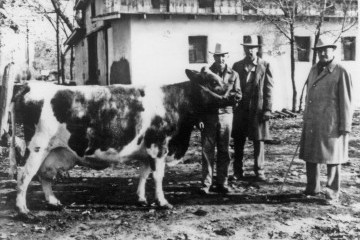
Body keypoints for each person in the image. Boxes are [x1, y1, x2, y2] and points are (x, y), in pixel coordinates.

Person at [299, 37, 353, 204]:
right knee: (311, 155)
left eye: (326, 49)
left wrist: (345, 126)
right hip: (313, 122)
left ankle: (331, 192)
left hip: (331, 123)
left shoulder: (341, 71)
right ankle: (312, 188)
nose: (323, 53)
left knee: (333, 158)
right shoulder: (314, 69)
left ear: (333, 51)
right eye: (319, 50)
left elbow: (346, 101)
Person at [199, 43, 242, 194]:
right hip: (209, 116)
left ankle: (222, 183)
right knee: (207, 151)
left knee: (224, 150)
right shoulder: (206, 73)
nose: (221, 58)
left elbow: (238, 94)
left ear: (226, 57)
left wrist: (229, 98)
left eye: (223, 56)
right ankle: (206, 184)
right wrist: (200, 119)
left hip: (226, 115)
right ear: (214, 57)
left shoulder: (234, 74)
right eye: (218, 56)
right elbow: (200, 96)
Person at [232, 35, 274, 181]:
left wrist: (268, 109)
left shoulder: (264, 65)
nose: (250, 51)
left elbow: (268, 89)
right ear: (244, 49)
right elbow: (232, 87)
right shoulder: (237, 66)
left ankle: (259, 170)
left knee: (258, 140)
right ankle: (238, 171)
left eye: (252, 48)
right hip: (241, 110)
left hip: (258, 109)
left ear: (256, 49)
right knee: (238, 140)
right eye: (247, 48)